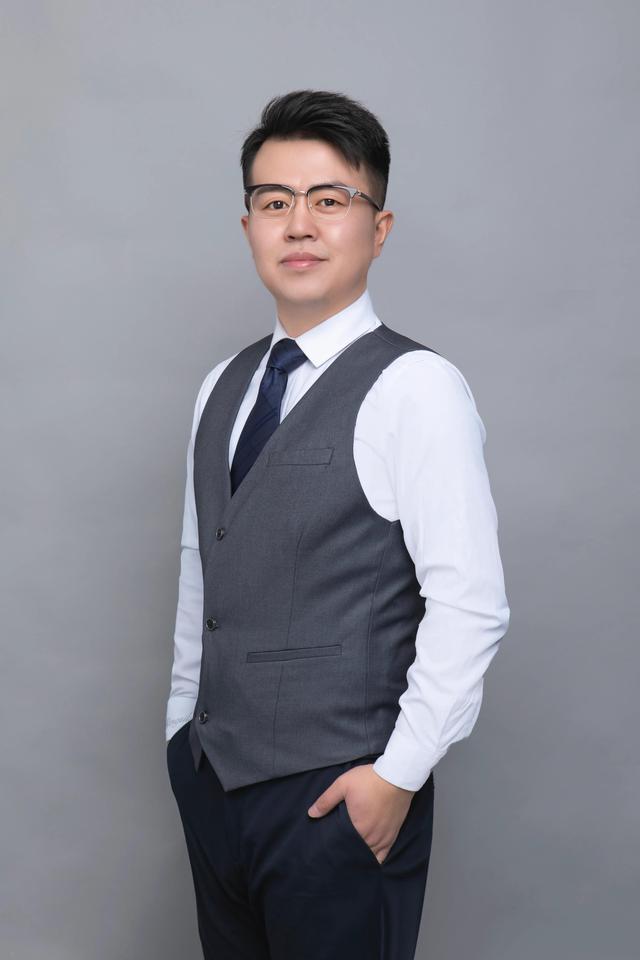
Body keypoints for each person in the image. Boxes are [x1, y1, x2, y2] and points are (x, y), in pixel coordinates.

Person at [165, 88, 510, 960]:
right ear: (247, 224)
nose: (299, 225)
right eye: (273, 201)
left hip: (340, 796)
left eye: (329, 199)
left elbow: (470, 604)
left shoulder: (416, 388)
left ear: (378, 228)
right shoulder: (222, 387)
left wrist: (398, 775)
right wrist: (180, 735)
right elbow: (203, 573)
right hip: (214, 784)